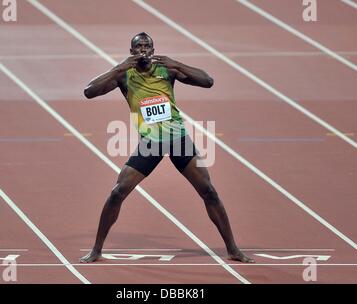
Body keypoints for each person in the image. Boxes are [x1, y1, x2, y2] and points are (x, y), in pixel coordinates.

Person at [80, 32, 254, 264]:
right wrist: (117, 68)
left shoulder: (167, 70)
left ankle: (233, 249)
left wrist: (177, 64)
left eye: (147, 46)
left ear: (153, 50)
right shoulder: (124, 76)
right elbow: (89, 91)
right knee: (117, 193)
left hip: (177, 139)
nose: (143, 50)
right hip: (150, 143)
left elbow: (208, 81)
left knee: (209, 192)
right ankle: (96, 250)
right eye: (138, 47)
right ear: (131, 52)